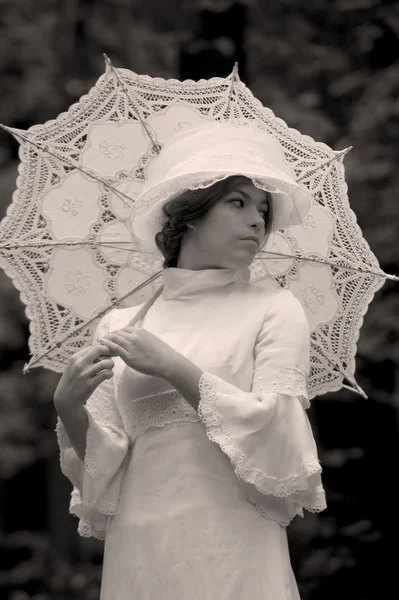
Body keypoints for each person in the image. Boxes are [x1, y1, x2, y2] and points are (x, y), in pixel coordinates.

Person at [54, 121, 326, 599]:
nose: (259, 221)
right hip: (141, 549)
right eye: (238, 203)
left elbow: (279, 429)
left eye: (264, 209)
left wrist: (173, 366)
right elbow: (105, 464)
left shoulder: (274, 307)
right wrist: (68, 407)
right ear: (191, 214)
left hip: (233, 543)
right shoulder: (121, 324)